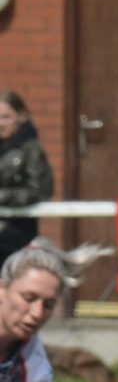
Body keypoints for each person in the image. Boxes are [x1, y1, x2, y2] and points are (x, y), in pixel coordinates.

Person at [0, 238, 66, 382]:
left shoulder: (33, 359)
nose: (37, 313)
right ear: (2, 290)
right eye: (28, 298)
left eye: (48, 305)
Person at [0, 91, 55, 267]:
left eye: (6, 117)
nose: (0, 124)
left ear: (22, 116)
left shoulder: (31, 150)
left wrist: (2, 197)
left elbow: (39, 190)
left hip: (15, 233)